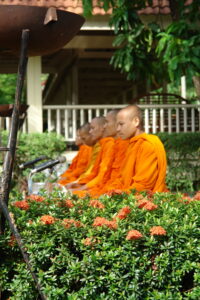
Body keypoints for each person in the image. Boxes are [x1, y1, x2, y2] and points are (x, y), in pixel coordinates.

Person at [103, 105, 167, 193]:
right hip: (128, 194)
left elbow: (144, 186)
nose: (117, 129)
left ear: (136, 121)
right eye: (117, 125)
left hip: (146, 200)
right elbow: (122, 179)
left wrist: (119, 194)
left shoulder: (147, 145)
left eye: (121, 124)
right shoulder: (131, 144)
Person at [71, 111, 118, 195]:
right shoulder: (103, 145)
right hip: (97, 185)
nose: (90, 131)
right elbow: (93, 172)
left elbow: (103, 176)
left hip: (109, 190)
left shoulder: (110, 144)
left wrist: (80, 186)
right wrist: (78, 183)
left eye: (92, 128)